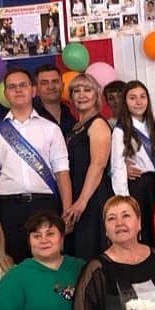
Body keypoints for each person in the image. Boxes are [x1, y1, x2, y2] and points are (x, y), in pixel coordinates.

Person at [0, 67, 72, 263]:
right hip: (9, 207)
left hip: (45, 205)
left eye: (23, 85)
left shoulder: (51, 129)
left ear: (33, 90)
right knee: (12, 262)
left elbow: (61, 171)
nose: (18, 90)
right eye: (12, 87)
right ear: (5, 94)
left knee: (48, 261)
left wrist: (67, 210)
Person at [64, 73, 113, 259]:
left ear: (97, 95)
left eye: (87, 90)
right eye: (76, 91)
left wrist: (82, 201)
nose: (82, 95)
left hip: (93, 197)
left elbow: (98, 165)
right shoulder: (75, 127)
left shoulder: (98, 124)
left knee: (92, 250)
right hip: (78, 195)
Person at [110, 80, 155, 246]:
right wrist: (124, 201)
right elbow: (117, 168)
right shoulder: (120, 131)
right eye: (132, 98)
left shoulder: (154, 126)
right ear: (125, 102)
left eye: (142, 97)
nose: (138, 102)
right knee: (144, 231)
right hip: (138, 187)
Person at [33, 64, 77, 136]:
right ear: (36, 89)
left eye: (55, 81)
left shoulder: (71, 113)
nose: (51, 87)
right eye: (44, 83)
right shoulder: (30, 116)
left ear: (63, 86)